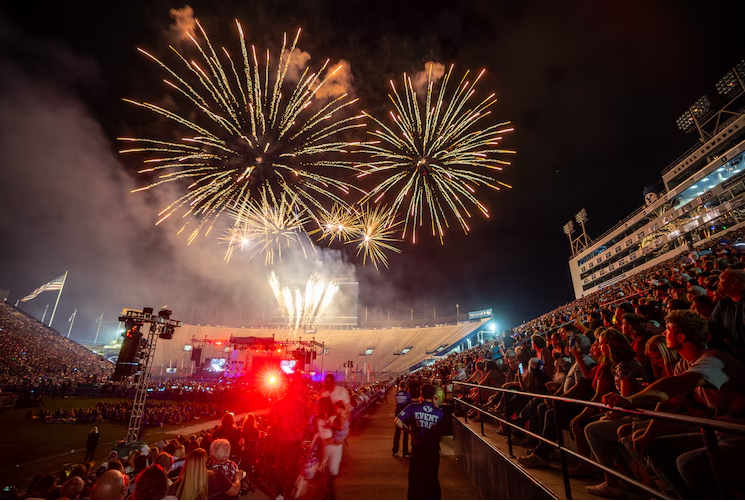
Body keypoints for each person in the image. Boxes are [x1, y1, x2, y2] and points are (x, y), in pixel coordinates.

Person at [604, 309, 745, 499]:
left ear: (680, 336)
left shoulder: (713, 360)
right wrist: (648, 435)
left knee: (687, 463)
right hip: (720, 434)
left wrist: (630, 400)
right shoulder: (683, 365)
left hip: (738, 435)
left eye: (668, 329)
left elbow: (673, 385)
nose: (663, 332)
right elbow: (669, 402)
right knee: (654, 446)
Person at [395, 384, 444, 500]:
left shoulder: (413, 407)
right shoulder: (439, 412)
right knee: (432, 478)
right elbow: (440, 428)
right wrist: (436, 405)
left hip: (418, 448)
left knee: (415, 478)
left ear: (421, 394)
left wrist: (410, 432)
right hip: (432, 450)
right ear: (433, 395)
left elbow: (397, 421)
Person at [268, 380, 308, 499]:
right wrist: (298, 430)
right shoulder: (302, 403)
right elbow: (306, 421)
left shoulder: (277, 404)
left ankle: (280, 494)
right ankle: (290, 493)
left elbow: (272, 420)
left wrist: (281, 428)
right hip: (294, 441)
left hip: (281, 441)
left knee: (280, 469)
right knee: (293, 468)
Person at [168, 447, 240, 499]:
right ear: (204, 463)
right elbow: (234, 491)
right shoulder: (216, 476)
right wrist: (238, 478)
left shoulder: (175, 488)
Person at [392, 381, 412, 457]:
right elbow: (409, 404)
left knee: (397, 432)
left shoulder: (396, 394)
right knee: (405, 433)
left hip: (398, 414)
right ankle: (405, 452)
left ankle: (395, 451)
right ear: (406, 386)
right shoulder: (408, 395)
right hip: (405, 414)